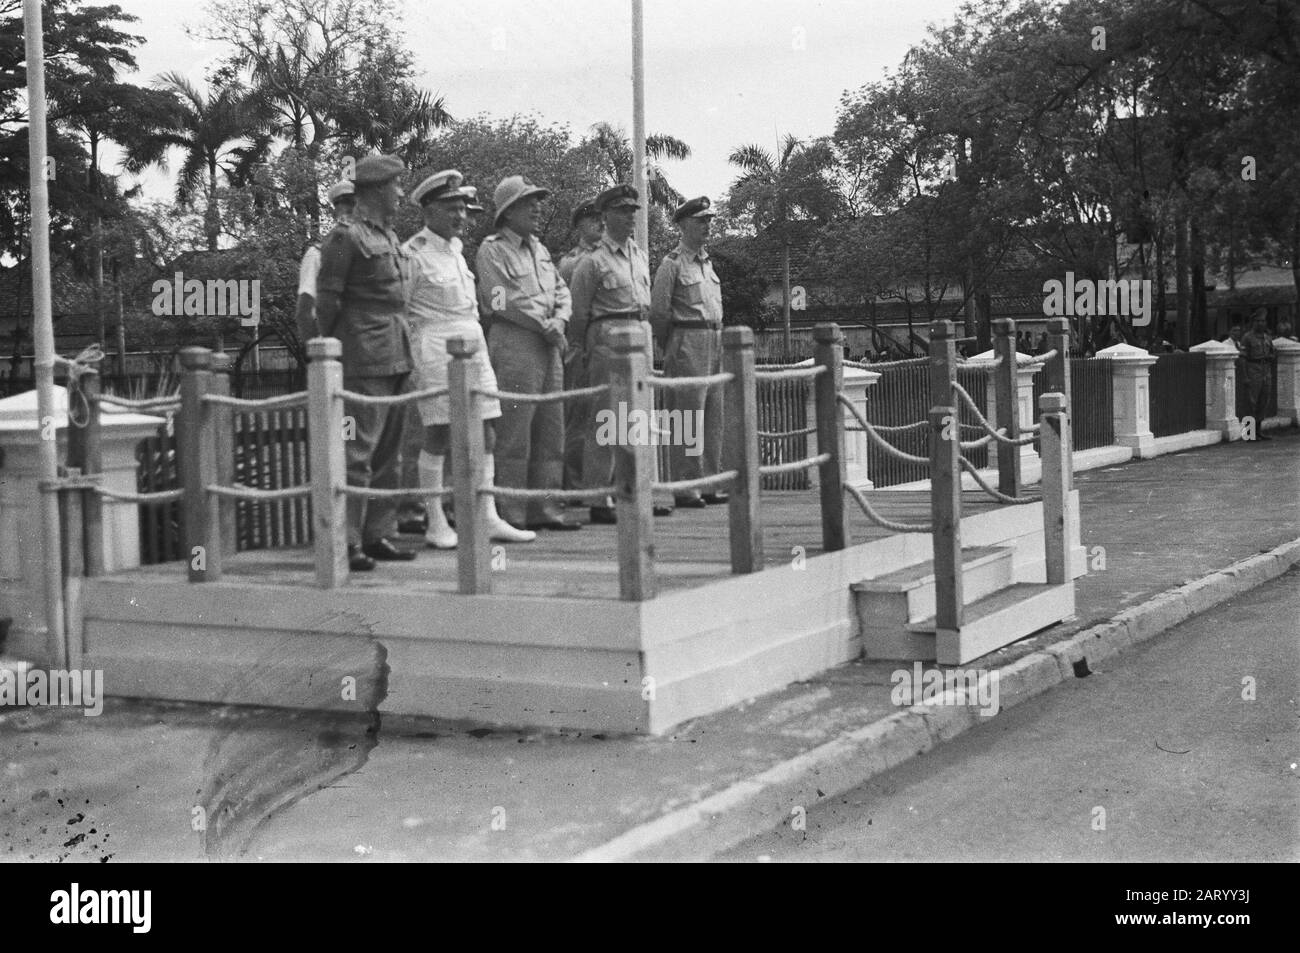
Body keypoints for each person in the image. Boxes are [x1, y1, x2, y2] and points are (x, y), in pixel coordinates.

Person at [403, 169, 536, 548]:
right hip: (436, 348)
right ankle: (435, 521)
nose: (460, 216)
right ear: (428, 210)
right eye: (450, 208)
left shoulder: (458, 251)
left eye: (463, 208)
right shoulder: (412, 253)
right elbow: (403, 311)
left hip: (472, 342)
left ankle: (486, 515)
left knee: (487, 429)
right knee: (438, 434)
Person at [314, 154, 417, 570]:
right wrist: (334, 350)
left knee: (389, 453)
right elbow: (327, 300)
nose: (401, 193)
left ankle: (378, 533)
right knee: (356, 452)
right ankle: (349, 538)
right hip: (361, 354)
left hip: (396, 351)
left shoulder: (389, 236)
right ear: (375, 190)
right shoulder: (345, 236)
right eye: (395, 186)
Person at [475, 175, 581, 531]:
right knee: (514, 433)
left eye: (538, 201)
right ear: (508, 211)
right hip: (515, 343)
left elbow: (562, 290)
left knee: (552, 430)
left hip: (549, 345)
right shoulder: (492, 249)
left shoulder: (540, 249)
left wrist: (561, 319)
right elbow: (499, 298)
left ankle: (547, 509)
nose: (537, 208)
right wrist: (544, 323)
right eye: (528, 202)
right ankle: (513, 514)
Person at [569, 184, 672, 523]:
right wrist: (583, 348)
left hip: (639, 335)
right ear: (606, 216)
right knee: (606, 418)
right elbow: (580, 313)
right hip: (607, 338)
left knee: (640, 418)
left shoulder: (640, 256)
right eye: (623, 212)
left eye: (633, 211)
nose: (630, 218)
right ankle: (599, 497)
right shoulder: (592, 262)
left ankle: (641, 488)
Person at [650, 195, 727, 508]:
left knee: (713, 416)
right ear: (683, 225)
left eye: (709, 220)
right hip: (687, 340)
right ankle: (686, 487)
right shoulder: (672, 264)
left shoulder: (708, 264)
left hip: (714, 341)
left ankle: (708, 482)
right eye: (700, 221)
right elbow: (658, 311)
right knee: (687, 416)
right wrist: (675, 344)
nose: (707, 226)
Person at [558, 199, 603, 490]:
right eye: (592, 219)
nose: (600, 223)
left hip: (606, 346)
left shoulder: (613, 256)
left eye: (602, 218)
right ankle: (574, 485)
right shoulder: (570, 263)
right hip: (580, 344)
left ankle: (607, 485)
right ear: (579, 226)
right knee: (579, 417)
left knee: (614, 416)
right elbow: (568, 309)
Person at [294, 179, 356, 343]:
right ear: (334, 212)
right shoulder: (317, 254)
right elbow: (304, 311)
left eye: (356, 203)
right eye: (346, 203)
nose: (352, 209)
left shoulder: (372, 253)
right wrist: (318, 354)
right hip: (335, 346)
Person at [1239, 312, 1276, 440]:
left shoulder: (1267, 337)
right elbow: (1242, 358)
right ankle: (1249, 434)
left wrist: (1270, 357)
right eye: (1258, 321)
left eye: (1263, 321)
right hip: (1252, 369)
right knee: (1251, 402)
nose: (1261, 323)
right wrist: (1245, 376)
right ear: (1253, 322)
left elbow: (1272, 353)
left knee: (1263, 401)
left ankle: (1258, 431)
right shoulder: (1247, 337)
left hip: (1265, 370)